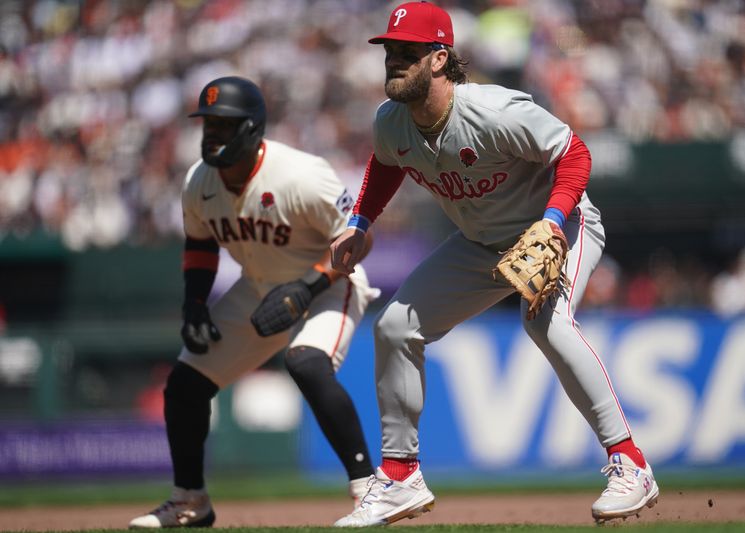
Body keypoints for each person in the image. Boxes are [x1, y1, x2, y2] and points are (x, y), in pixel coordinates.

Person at [329, 2, 659, 527]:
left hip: (560, 227)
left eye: (406, 52)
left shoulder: (493, 110)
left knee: (545, 322)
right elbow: (387, 161)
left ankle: (631, 464)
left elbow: (574, 154)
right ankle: (399, 477)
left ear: (439, 59)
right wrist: (361, 222)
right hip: (481, 241)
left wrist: (551, 222)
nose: (393, 60)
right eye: (389, 50)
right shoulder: (391, 120)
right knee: (395, 327)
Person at [130, 76, 378, 528]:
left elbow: (357, 240)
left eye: (223, 126)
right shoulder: (198, 181)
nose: (213, 136)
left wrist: (308, 286)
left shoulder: (301, 174)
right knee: (185, 384)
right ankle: (191, 500)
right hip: (259, 286)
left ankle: (369, 489)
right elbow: (201, 245)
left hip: (330, 283)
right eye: (208, 126)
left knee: (304, 361)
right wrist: (195, 304)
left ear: (250, 129)